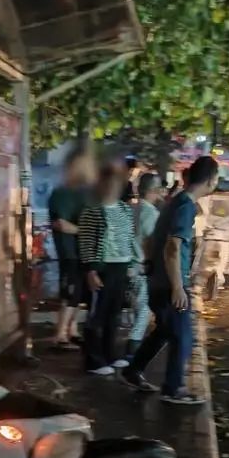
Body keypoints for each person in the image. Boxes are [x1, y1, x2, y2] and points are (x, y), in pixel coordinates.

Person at [123, 156, 220, 404]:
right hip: (169, 284)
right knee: (184, 336)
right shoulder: (185, 206)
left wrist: (150, 266)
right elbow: (173, 247)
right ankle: (173, 388)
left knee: (165, 331)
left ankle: (133, 370)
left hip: (158, 280)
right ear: (210, 180)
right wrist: (178, 287)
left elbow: (150, 241)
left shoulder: (173, 202)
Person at [79, 163, 139, 375]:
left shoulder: (124, 209)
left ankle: (110, 354)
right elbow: (86, 242)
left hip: (120, 267)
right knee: (97, 314)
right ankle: (93, 360)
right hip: (102, 267)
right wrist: (91, 270)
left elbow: (128, 238)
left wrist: (131, 264)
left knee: (114, 314)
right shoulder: (92, 210)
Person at [48, 146, 96, 350]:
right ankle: (60, 335)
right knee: (70, 293)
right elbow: (60, 224)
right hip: (70, 252)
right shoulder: (62, 193)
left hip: (82, 251)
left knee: (79, 294)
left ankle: (72, 330)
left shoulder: (84, 192)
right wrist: (84, 230)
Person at [127, 172, 162, 357]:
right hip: (141, 267)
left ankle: (130, 349)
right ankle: (131, 350)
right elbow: (151, 243)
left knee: (135, 308)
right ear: (153, 191)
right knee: (143, 311)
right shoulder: (152, 214)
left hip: (123, 266)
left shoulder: (129, 209)